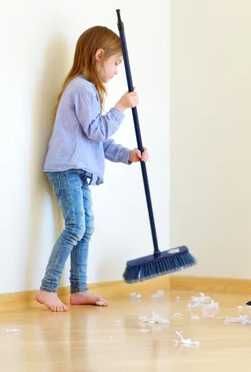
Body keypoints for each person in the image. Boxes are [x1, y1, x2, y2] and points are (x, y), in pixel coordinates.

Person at [36, 26, 148, 312]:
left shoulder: (86, 90)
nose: (116, 71)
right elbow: (97, 131)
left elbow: (98, 141)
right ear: (99, 56)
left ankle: (78, 288)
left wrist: (128, 155)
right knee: (76, 227)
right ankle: (47, 288)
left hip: (78, 170)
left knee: (85, 229)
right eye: (115, 63)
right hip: (66, 169)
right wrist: (121, 107)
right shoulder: (82, 88)